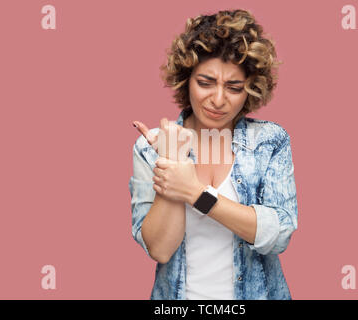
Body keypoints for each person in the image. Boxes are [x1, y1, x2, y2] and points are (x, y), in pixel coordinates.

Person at [128, 9, 298, 300]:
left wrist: (195, 193)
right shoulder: (151, 146)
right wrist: (172, 163)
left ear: (251, 89)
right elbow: (159, 249)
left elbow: (279, 234)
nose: (218, 100)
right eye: (205, 83)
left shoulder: (270, 141)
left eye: (234, 87)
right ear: (186, 79)